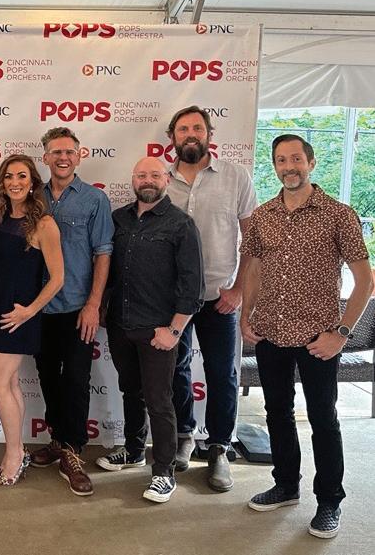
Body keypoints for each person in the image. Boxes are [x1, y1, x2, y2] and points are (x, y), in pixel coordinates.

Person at [241, 134, 372, 539]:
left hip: (320, 337)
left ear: (311, 163)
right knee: (276, 413)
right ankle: (285, 485)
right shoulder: (262, 215)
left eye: (296, 158)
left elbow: (365, 280)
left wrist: (342, 334)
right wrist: (246, 315)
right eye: (281, 160)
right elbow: (254, 269)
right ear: (275, 166)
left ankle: (329, 500)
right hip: (271, 333)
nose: (289, 167)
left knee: (322, 419)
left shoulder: (339, 214)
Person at [97, 157, 203, 504]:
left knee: (159, 400)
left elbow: (193, 286)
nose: (147, 180)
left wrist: (174, 331)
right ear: (133, 179)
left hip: (158, 330)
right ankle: (133, 451)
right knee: (131, 391)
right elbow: (107, 271)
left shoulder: (181, 224)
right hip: (120, 325)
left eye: (154, 175)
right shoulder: (119, 219)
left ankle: (164, 472)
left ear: (166, 180)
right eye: (141, 174)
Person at [164, 106, 258, 490]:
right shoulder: (160, 179)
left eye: (197, 128)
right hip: (172, 298)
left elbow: (252, 239)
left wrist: (239, 290)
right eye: (183, 128)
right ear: (172, 137)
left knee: (222, 373)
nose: (191, 134)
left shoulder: (236, 176)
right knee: (176, 369)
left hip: (220, 296)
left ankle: (219, 447)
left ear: (209, 134)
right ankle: (184, 435)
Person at [29, 128, 113, 496]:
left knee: (76, 379)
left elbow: (103, 253)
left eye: (68, 152)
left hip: (78, 308)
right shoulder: (33, 197)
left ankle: (74, 451)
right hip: (39, 307)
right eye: (55, 152)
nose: (62, 158)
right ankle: (58, 439)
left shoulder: (95, 199)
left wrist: (94, 304)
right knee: (47, 376)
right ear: (45, 158)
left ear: (79, 156)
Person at [0, 154, 63, 486]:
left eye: (22, 177)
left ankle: (14, 454)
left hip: (19, 314)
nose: (15, 182)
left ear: (33, 183)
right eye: (9, 177)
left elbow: (58, 278)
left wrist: (30, 311)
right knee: (10, 384)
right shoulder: (0, 215)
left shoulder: (44, 224)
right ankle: (17, 451)